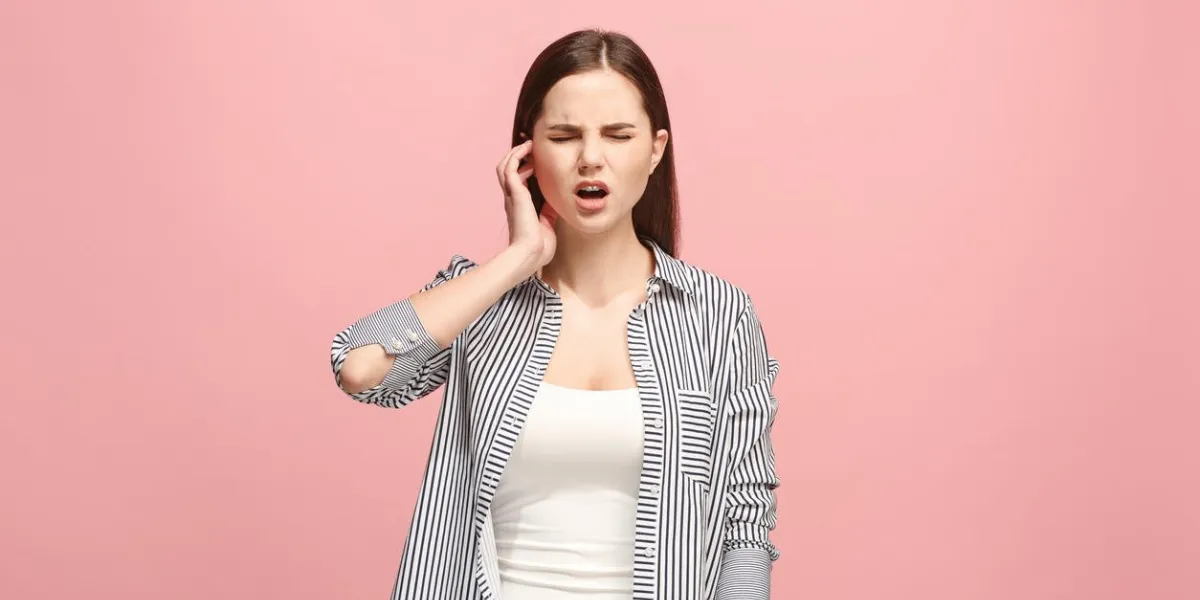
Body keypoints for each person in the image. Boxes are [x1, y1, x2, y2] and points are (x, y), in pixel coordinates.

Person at [330, 29, 780, 600]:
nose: (591, 158)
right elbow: (361, 369)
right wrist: (516, 261)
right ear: (526, 154)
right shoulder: (481, 300)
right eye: (564, 136)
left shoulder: (718, 315)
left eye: (618, 135)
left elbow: (747, 523)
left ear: (656, 149)